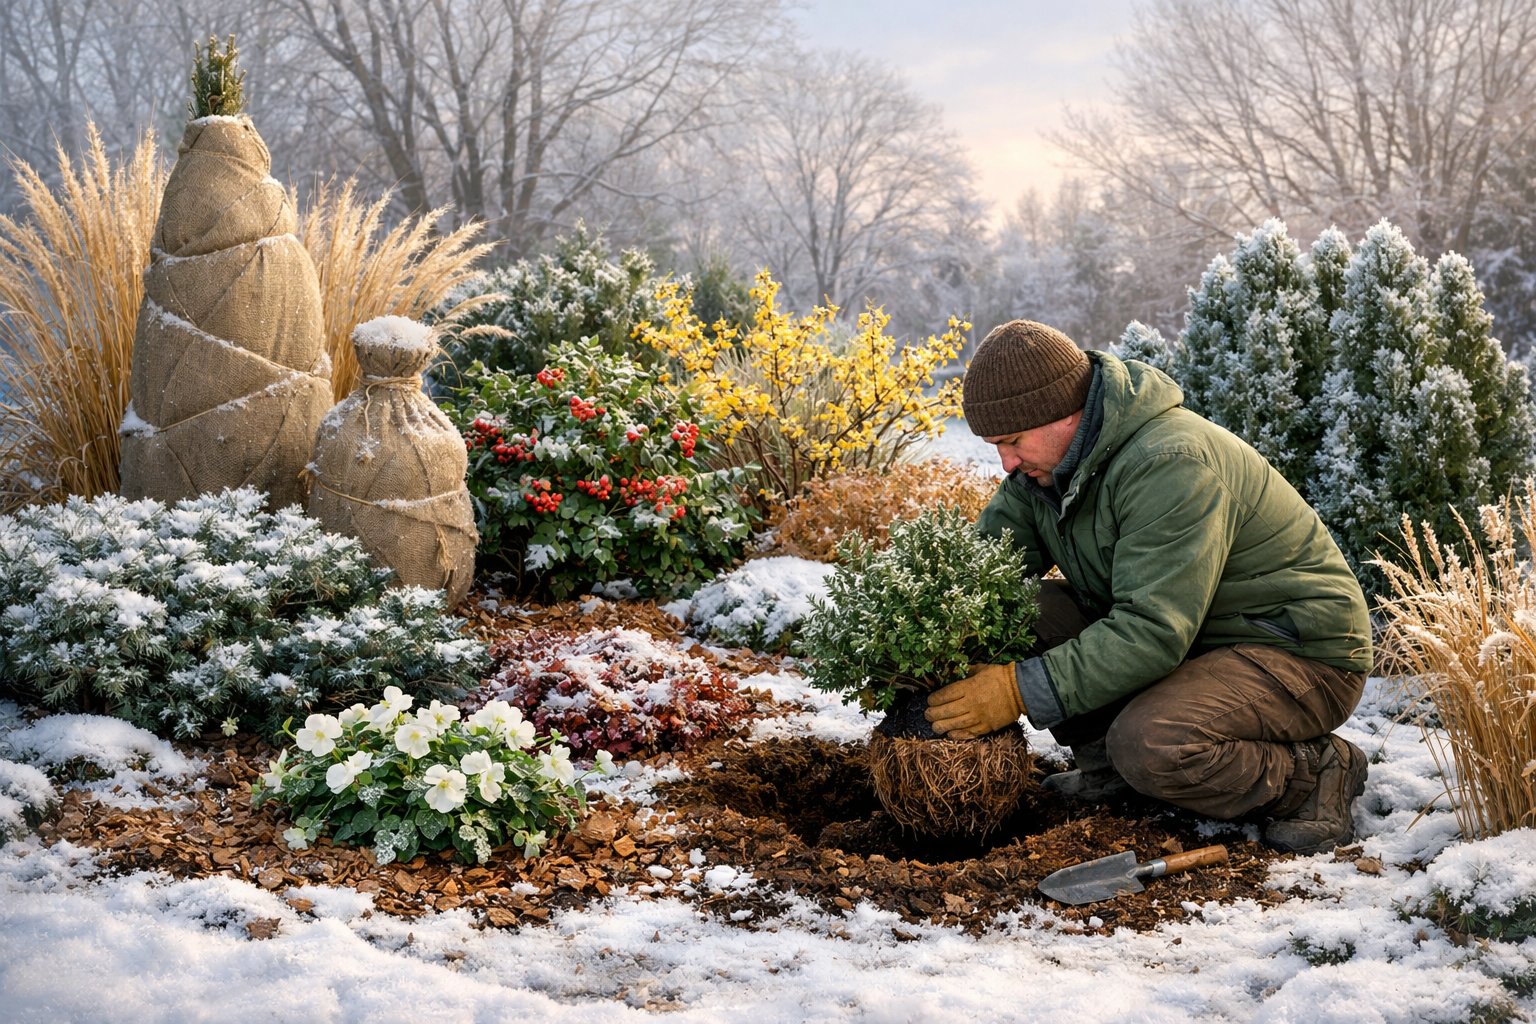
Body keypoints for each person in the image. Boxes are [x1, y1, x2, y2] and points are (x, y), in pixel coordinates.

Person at [923, 319, 1373, 856]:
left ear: (1064, 412)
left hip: (1294, 654)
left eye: (1013, 441)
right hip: (1196, 642)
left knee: (1151, 742)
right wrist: (914, 644)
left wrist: (1015, 691)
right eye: (995, 445)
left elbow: (1152, 631)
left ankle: (1315, 775)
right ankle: (1110, 772)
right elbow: (982, 575)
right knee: (1022, 613)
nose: (1007, 462)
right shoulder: (1042, 473)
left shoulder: (1169, 462)